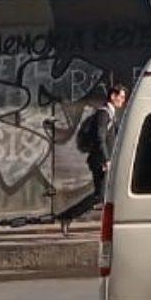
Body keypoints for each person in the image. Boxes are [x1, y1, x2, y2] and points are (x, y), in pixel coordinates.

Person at [59, 83, 127, 234]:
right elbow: (100, 137)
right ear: (113, 96)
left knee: (110, 193)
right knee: (100, 195)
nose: (123, 100)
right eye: (121, 97)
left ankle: (117, 224)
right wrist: (106, 159)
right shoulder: (103, 114)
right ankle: (66, 216)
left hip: (105, 160)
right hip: (101, 161)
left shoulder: (110, 113)